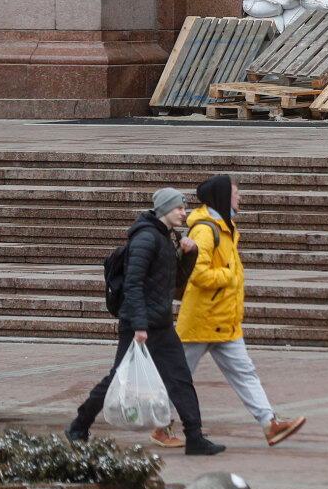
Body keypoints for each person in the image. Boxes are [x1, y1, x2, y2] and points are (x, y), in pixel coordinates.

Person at [66, 187, 226, 456]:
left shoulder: (166, 237)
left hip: (160, 323)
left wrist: (189, 254)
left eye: (184, 208)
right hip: (137, 324)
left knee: (180, 378)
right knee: (118, 378)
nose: (184, 213)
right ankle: (79, 426)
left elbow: (176, 283)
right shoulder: (145, 238)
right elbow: (133, 284)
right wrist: (139, 325)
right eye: (179, 208)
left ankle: (195, 437)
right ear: (165, 209)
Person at [156, 173, 306, 448]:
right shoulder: (205, 230)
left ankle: (270, 424)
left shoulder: (225, 226)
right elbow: (198, 274)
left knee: (245, 373)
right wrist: (228, 276)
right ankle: (160, 425)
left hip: (224, 320)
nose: (240, 197)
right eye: (236, 192)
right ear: (223, 197)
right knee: (180, 376)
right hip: (202, 320)